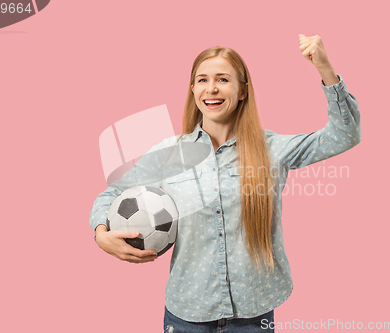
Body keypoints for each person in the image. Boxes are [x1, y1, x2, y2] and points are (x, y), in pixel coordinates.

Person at [90, 34, 362, 333]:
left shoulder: (272, 148)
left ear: (243, 91)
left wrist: (325, 69)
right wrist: (101, 233)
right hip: (187, 313)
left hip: (254, 312)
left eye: (223, 79)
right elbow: (115, 191)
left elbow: (344, 135)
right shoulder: (171, 153)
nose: (212, 88)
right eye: (202, 80)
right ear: (193, 89)